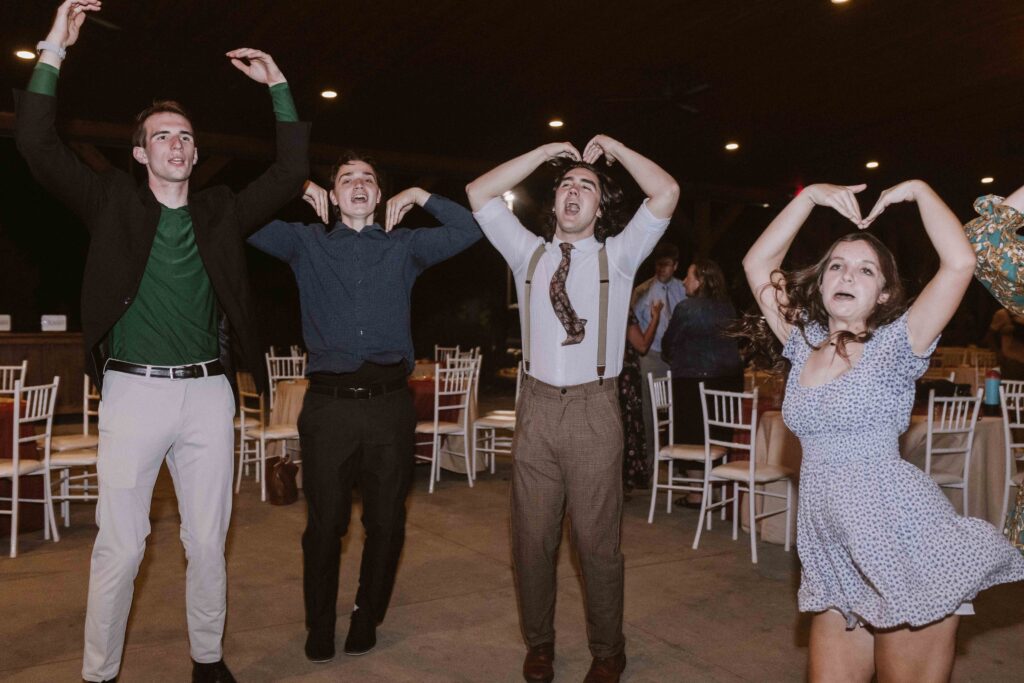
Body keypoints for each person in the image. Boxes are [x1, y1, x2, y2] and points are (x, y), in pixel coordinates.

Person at [14, 3, 310, 681]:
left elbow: (289, 169)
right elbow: (37, 145)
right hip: (133, 391)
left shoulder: (220, 211)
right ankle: (99, 672)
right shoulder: (112, 202)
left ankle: (208, 660)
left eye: (185, 137)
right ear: (140, 152)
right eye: (162, 136)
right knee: (121, 546)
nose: (176, 144)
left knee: (207, 542)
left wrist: (278, 85)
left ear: (195, 153)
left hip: (208, 394)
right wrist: (54, 48)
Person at [740, 180, 1024, 683]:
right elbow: (757, 264)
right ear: (821, 283)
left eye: (865, 269)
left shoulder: (898, 343)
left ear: (884, 293)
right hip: (833, 555)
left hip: (901, 545)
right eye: (836, 266)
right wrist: (808, 198)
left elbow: (959, 262)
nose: (847, 274)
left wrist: (917, 190)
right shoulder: (801, 342)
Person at [247, 152, 481, 662]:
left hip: (389, 408)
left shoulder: (405, 247)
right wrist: (292, 184)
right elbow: (239, 217)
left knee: (386, 522)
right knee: (324, 526)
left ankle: (366, 614)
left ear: (378, 196)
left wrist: (419, 195)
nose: (358, 184)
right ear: (332, 196)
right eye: (346, 179)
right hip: (328, 410)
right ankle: (319, 623)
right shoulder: (305, 243)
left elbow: (470, 229)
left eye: (368, 179)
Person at [466, 135, 678, 683]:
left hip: (593, 410)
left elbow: (666, 192)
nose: (574, 190)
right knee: (531, 542)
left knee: (597, 545)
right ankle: (539, 644)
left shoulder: (620, 256)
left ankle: (608, 651)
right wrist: (543, 155)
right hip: (536, 410)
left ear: (600, 207)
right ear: (555, 199)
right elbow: (477, 192)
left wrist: (615, 148)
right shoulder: (527, 251)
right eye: (566, 184)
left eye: (587, 185)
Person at [661, 259, 744, 445]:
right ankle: (716, 464)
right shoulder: (729, 308)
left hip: (693, 387)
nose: (683, 281)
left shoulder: (686, 308)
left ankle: (691, 465)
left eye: (688, 277)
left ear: (700, 282)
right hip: (729, 386)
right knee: (718, 440)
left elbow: (667, 346)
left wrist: (678, 359)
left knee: (691, 441)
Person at [632, 242, 686, 472]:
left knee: (679, 409)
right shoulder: (643, 291)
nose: (661, 269)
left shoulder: (683, 288)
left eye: (666, 265)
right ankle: (650, 463)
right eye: (658, 265)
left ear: (675, 266)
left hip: (678, 358)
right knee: (650, 412)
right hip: (652, 355)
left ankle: (678, 462)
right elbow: (633, 324)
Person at [620, 300, 662, 492]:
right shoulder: (621, 309)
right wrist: (655, 318)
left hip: (604, 377)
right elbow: (642, 345)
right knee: (627, 427)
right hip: (624, 378)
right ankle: (625, 479)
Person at [986, 307, 1024, 380]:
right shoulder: (1003, 314)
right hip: (1010, 359)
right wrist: (998, 353)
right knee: (1010, 383)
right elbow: (990, 336)